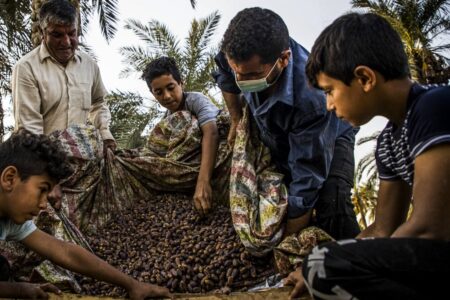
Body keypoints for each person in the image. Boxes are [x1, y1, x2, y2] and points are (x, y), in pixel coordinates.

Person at [285, 12, 450, 300]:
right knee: (321, 263)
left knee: (323, 263)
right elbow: (383, 228)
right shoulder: (388, 142)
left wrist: (335, 261)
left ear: (364, 77)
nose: (328, 105)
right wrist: (328, 262)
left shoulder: (433, 107)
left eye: (330, 91)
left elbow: (430, 227)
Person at [213, 7, 360, 239]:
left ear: (283, 59)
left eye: (252, 76)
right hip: (274, 131)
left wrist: (287, 242)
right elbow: (224, 74)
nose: (241, 81)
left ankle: (355, 266)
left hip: (331, 133)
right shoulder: (234, 53)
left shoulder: (312, 99)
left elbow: (307, 176)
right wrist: (234, 118)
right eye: (237, 72)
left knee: (332, 205)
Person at [0, 130, 171, 299]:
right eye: (42, 190)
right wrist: (17, 290)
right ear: (9, 178)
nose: (44, 204)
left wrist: (132, 284)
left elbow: (65, 252)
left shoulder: (12, 219)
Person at [12, 0, 116, 207]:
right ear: (43, 33)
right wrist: (48, 179)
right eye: (57, 35)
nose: (67, 42)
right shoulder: (26, 69)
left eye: (72, 34)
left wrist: (105, 135)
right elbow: (29, 130)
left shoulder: (89, 65)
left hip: (82, 163)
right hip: (43, 164)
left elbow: (98, 103)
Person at [142, 56, 220, 215]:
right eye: (159, 92)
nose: (167, 96)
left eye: (171, 88)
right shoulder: (167, 120)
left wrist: (203, 182)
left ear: (181, 83)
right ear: (153, 93)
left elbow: (211, 132)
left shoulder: (196, 100)